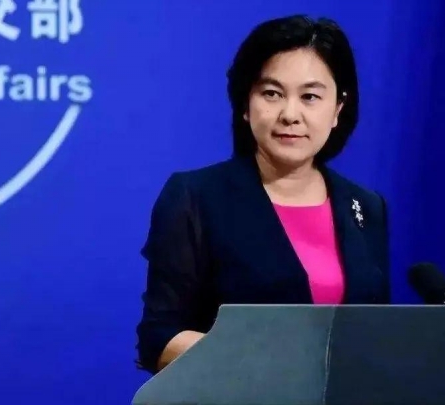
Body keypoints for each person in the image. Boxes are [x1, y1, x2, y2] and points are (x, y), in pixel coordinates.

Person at [135, 15, 391, 374]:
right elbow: (160, 337)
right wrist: (263, 360)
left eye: (310, 97)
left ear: (337, 109)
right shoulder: (196, 198)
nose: (290, 114)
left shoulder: (364, 206)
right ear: (245, 104)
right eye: (271, 94)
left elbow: (376, 330)